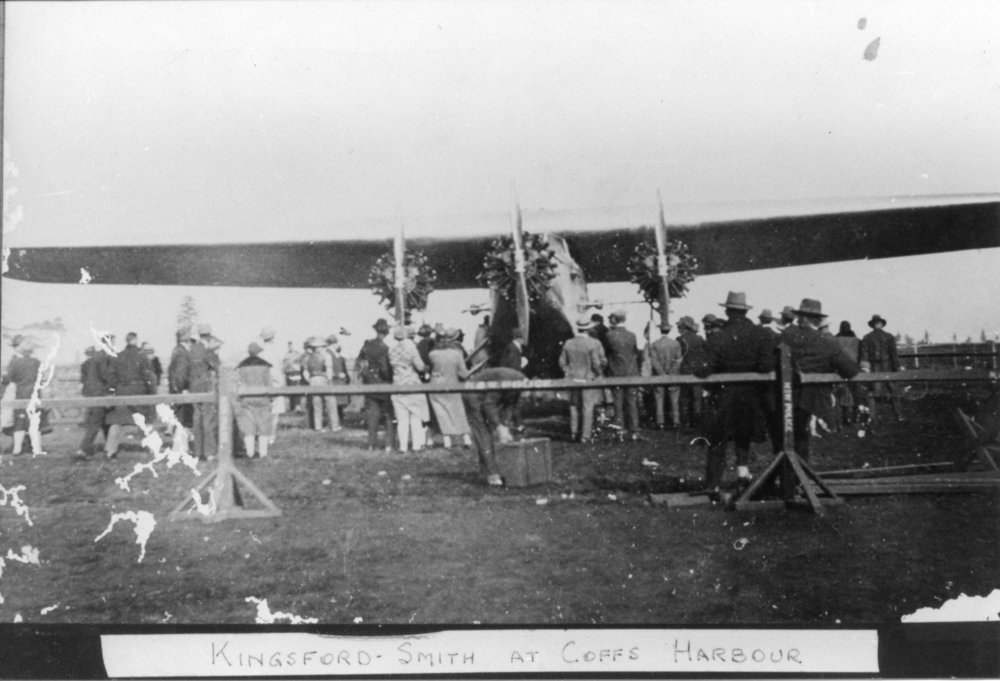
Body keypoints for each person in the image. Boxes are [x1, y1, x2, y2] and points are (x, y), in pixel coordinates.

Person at [700, 292, 774, 494]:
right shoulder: (761, 335)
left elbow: (703, 368)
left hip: (723, 394)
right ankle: (743, 474)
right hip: (750, 395)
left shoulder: (718, 337)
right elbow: (766, 365)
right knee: (744, 435)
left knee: (717, 438)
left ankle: (713, 483)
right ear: (745, 311)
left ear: (726, 311)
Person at [781, 299, 860, 461]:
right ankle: (800, 479)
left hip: (784, 395)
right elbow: (850, 371)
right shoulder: (827, 342)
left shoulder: (785, 337)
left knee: (786, 441)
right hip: (814, 399)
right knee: (802, 439)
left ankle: (790, 479)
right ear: (818, 319)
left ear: (800, 317)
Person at [463, 366, 528, 485]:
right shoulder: (510, 382)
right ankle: (492, 475)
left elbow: (512, 406)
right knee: (483, 432)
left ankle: (486, 471)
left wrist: (506, 424)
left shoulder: (522, 387)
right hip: (474, 393)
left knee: (490, 433)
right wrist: (499, 426)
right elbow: (488, 404)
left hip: (487, 393)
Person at [104, 332, 157, 459]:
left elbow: (111, 377)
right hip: (139, 391)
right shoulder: (142, 357)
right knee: (146, 421)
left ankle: (110, 450)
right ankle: (153, 449)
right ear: (136, 341)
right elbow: (148, 377)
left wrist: (113, 392)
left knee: (117, 422)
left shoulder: (117, 356)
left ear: (126, 341)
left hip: (122, 392)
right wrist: (152, 393)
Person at [558, 316, 607, 443]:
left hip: (573, 379)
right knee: (588, 406)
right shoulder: (594, 343)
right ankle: (585, 435)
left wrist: (568, 371)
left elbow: (562, 362)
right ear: (588, 329)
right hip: (588, 378)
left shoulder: (568, 343)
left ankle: (573, 432)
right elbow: (599, 363)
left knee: (573, 406)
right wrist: (599, 372)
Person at [388, 326, 431, 452]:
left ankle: (403, 446)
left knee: (402, 418)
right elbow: (420, 366)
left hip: (397, 384)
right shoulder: (411, 346)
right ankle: (417, 445)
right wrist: (425, 369)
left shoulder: (391, 349)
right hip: (412, 382)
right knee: (416, 416)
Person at [428, 328, 472, 448]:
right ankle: (466, 438)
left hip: (436, 385)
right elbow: (463, 373)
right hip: (452, 385)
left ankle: (447, 441)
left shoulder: (432, 354)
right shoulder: (457, 354)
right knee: (459, 412)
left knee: (442, 413)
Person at [356, 318, 394, 450]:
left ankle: (371, 444)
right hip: (383, 383)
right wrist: (390, 378)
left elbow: (359, 362)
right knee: (389, 414)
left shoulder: (367, 345)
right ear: (387, 332)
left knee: (373, 415)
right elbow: (384, 368)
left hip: (369, 383)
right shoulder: (384, 348)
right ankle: (389, 443)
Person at [2, 336, 42, 456]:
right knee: (35, 421)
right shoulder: (36, 362)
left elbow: (8, 378)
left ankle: (17, 449)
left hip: (22, 394)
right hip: (35, 394)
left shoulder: (15, 362)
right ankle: (37, 449)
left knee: (20, 422)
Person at [859, 314, 904, 421]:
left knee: (872, 392)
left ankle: (872, 417)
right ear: (881, 324)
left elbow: (864, 356)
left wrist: (865, 369)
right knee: (894, 391)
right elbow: (894, 354)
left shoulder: (867, 338)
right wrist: (897, 368)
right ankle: (899, 415)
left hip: (874, 368)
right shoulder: (889, 337)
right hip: (888, 367)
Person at [605, 310, 641, 441]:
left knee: (618, 403)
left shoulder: (609, 336)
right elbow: (635, 352)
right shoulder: (632, 335)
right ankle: (634, 431)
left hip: (616, 373)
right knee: (632, 403)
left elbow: (607, 354)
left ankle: (619, 430)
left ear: (614, 320)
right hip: (631, 373)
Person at [234, 342, 274, 458]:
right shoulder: (265, 366)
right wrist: (271, 398)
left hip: (247, 398)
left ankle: (250, 452)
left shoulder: (242, 366)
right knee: (263, 425)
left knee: (249, 426)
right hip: (262, 398)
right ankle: (263, 453)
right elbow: (269, 384)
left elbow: (238, 382)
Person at [189, 324, 221, 460]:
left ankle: (197, 451)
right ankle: (209, 452)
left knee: (197, 419)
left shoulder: (192, 349)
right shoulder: (208, 351)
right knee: (209, 419)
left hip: (194, 387)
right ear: (208, 335)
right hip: (206, 386)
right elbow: (217, 366)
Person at [75, 345, 113, 459]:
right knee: (96, 424)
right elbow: (105, 377)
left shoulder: (86, 364)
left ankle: (109, 448)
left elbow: (83, 382)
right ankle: (83, 449)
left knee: (103, 422)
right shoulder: (99, 362)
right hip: (99, 395)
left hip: (91, 394)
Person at [648, 321, 683, 430]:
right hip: (673, 376)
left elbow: (654, 361)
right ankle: (676, 422)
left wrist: (662, 374)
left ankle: (660, 422)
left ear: (660, 330)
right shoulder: (676, 344)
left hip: (659, 376)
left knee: (659, 398)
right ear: (670, 330)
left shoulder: (654, 344)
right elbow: (678, 360)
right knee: (674, 399)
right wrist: (671, 373)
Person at [677, 316, 708, 429]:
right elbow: (705, 354)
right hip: (697, 371)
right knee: (697, 398)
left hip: (684, 371)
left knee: (684, 397)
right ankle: (697, 420)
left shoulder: (680, 339)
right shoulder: (699, 339)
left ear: (684, 327)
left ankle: (685, 421)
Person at [258, 327, 287, 442]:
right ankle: (271, 436)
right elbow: (278, 368)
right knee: (274, 411)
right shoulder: (276, 351)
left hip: (262, 382)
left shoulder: (260, 352)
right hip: (274, 381)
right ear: (272, 338)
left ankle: (263, 434)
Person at [302, 337, 336, 432]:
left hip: (313, 380)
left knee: (317, 405)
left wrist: (310, 380)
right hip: (323, 379)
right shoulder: (326, 356)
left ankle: (318, 426)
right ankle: (334, 426)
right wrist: (329, 380)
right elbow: (329, 369)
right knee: (330, 403)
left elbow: (305, 372)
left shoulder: (307, 357)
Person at [834, 321, 862, 427]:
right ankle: (856, 417)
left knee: (842, 393)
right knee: (856, 394)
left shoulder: (836, 339)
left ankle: (845, 417)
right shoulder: (857, 340)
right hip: (854, 370)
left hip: (840, 370)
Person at [167, 327, 193, 428]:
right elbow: (181, 373)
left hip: (175, 388)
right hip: (181, 390)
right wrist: (183, 388)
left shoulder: (177, 350)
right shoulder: (182, 352)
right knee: (182, 420)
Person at [326, 335, 351, 428]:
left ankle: (340, 416)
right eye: (335, 343)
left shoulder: (334, 354)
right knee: (335, 400)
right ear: (333, 344)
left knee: (340, 400)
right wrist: (337, 374)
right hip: (334, 379)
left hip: (339, 379)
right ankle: (335, 419)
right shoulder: (328, 353)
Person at [282, 341, 305, 412]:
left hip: (296, 373)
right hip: (289, 374)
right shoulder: (286, 355)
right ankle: (292, 407)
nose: (291, 347)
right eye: (289, 346)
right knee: (290, 390)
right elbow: (284, 366)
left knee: (297, 390)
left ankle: (297, 406)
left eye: (292, 346)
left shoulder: (298, 354)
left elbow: (301, 364)